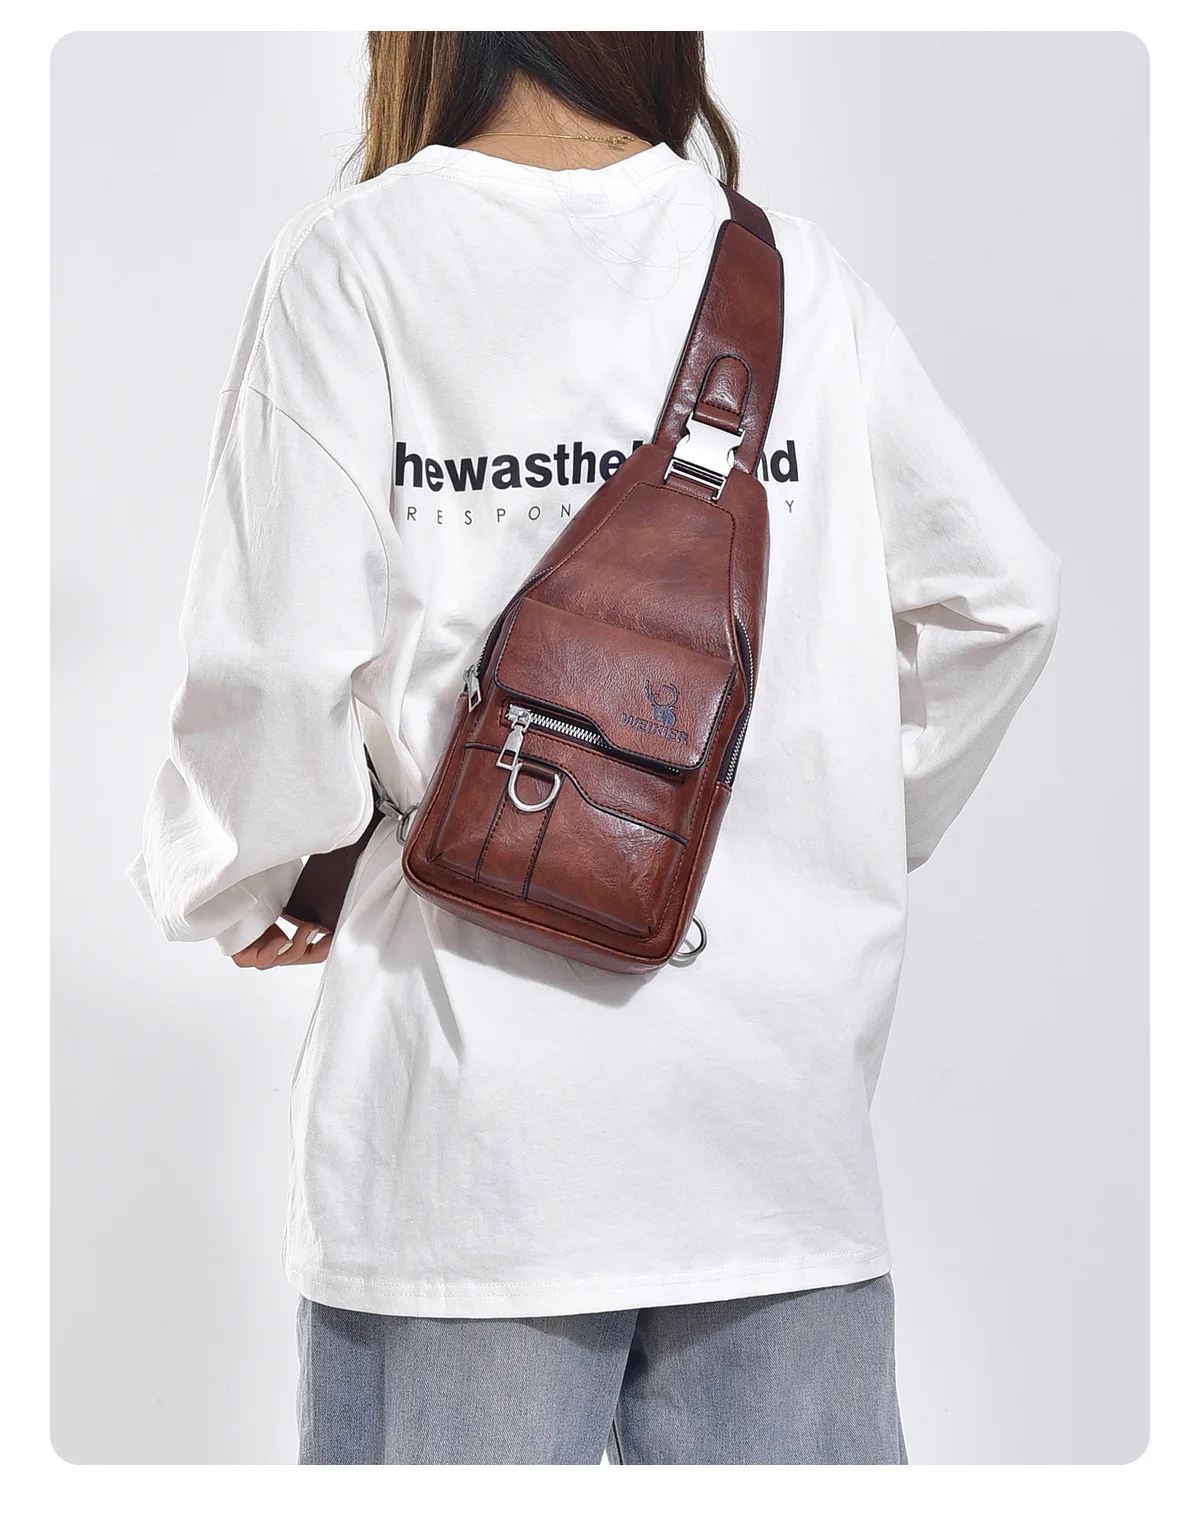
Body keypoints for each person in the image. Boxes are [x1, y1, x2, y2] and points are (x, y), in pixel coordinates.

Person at [128, 31, 1061, 1465]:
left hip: (465, 1146)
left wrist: (236, 881)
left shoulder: (357, 261)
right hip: (772, 1133)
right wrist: (834, 830)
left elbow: (269, 666)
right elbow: (1002, 601)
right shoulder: (790, 274)